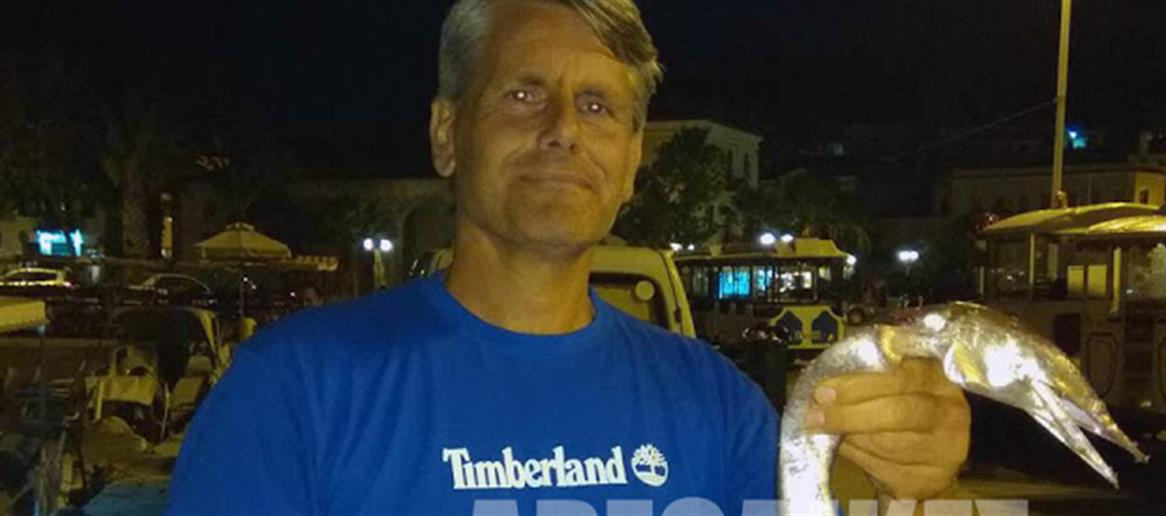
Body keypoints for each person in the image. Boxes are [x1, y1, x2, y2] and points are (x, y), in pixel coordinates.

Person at [167, 1, 969, 514]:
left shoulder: (716, 404)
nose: (562, 130)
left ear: (630, 163)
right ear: (447, 134)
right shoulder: (293, 388)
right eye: (522, 93)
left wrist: (910, 485)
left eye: (598, 106)